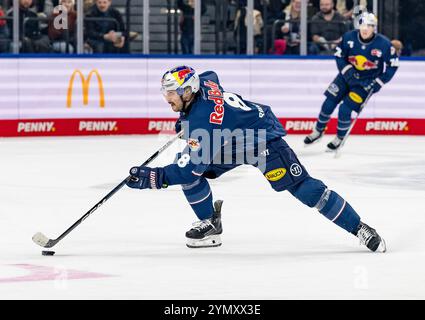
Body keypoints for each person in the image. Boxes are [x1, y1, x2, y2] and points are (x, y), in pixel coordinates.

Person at [125, 65, 386, 253]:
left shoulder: (204, 124)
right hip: (231, 138)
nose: (166, 98)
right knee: (190, 164)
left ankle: (359, 227)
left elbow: (187, 170)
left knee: (304, 188)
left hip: (261, 139)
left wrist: (153, 178)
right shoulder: (203, 83)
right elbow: (210, 76)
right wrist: (188, 121)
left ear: (187, 90)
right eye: (165, 92)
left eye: (171, 93)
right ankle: (210, 222)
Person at [304, 12, 399, 150]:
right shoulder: (349, 37)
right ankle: (318, 131)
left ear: (374, 28)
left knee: (345, 109)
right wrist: (347, 70)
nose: (366, 29)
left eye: (370, 26)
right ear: (358, 25)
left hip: (365, 84)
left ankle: (339, 138)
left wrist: (379, 81)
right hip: (345, 78)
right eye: (363, 25)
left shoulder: (384, 44)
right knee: (328, 103)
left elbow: (393, 65)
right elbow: (339, 55)